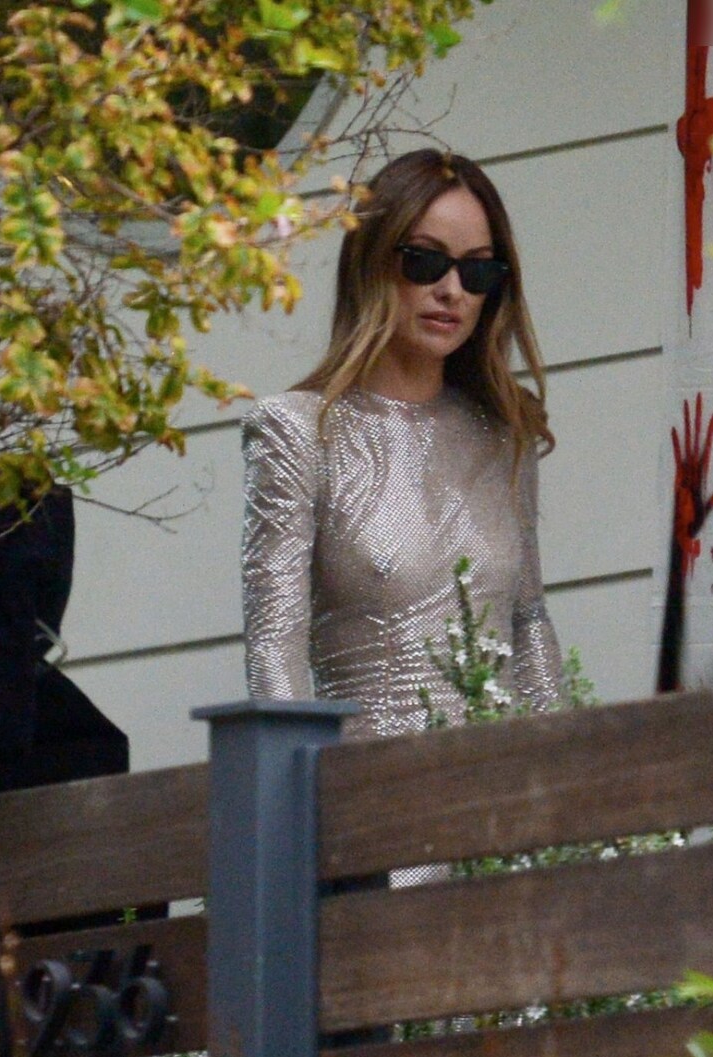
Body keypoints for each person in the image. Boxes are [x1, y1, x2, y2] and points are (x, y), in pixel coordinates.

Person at [241, 148, 562, 742]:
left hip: (499, 778)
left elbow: (529, 622)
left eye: (478, 271)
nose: (452, 290)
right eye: (425, 261)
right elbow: (274, 645)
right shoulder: (298, 430)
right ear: (371, 262)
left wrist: (560, 774)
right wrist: (298, 784)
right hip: (368, 784)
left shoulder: (502, 432)